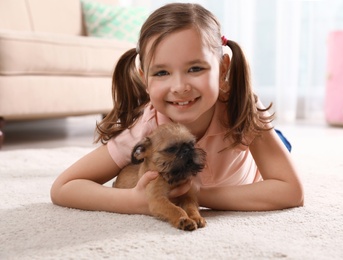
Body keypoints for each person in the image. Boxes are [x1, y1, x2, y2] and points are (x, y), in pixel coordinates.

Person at [50, 3, 303, 215]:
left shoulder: (243, 109)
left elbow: (291, 191)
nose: (180, 87)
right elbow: (64, 186)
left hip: (247, 155)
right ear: (144, 79)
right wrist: (137, 201)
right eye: (162, 72)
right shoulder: (148, 127)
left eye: (195, 68)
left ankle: (278, 139)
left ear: (223, 68)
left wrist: (200, 194)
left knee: (280, 147)